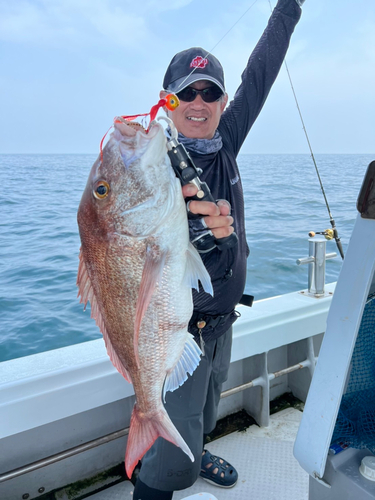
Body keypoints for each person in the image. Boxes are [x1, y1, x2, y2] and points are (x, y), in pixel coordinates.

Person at [132, 0, 305, 498]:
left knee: (206, 409)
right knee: (168, 446)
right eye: (187, 93)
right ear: (166, 102)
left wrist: (288, 9)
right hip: (176, 333)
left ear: (224, 104)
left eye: (211, 93)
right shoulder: (153, 166)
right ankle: (156, 484)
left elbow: (262, 70)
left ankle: (198, 447)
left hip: (222, 323)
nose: (199, 103)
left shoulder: (226, 140)